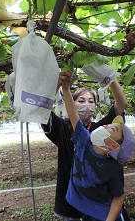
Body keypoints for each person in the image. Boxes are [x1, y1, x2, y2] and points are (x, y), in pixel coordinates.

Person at [41, 70, 128, 220]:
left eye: (91, 101)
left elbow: (121, 104)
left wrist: (109, 77)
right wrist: (58, 85)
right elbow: (42, 110)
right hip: (72, 203)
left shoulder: (102, 129)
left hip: (101, 201)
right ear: (72, 104)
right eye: (81, 101)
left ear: (95, 106)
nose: (87, 105)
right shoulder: (63, 128)